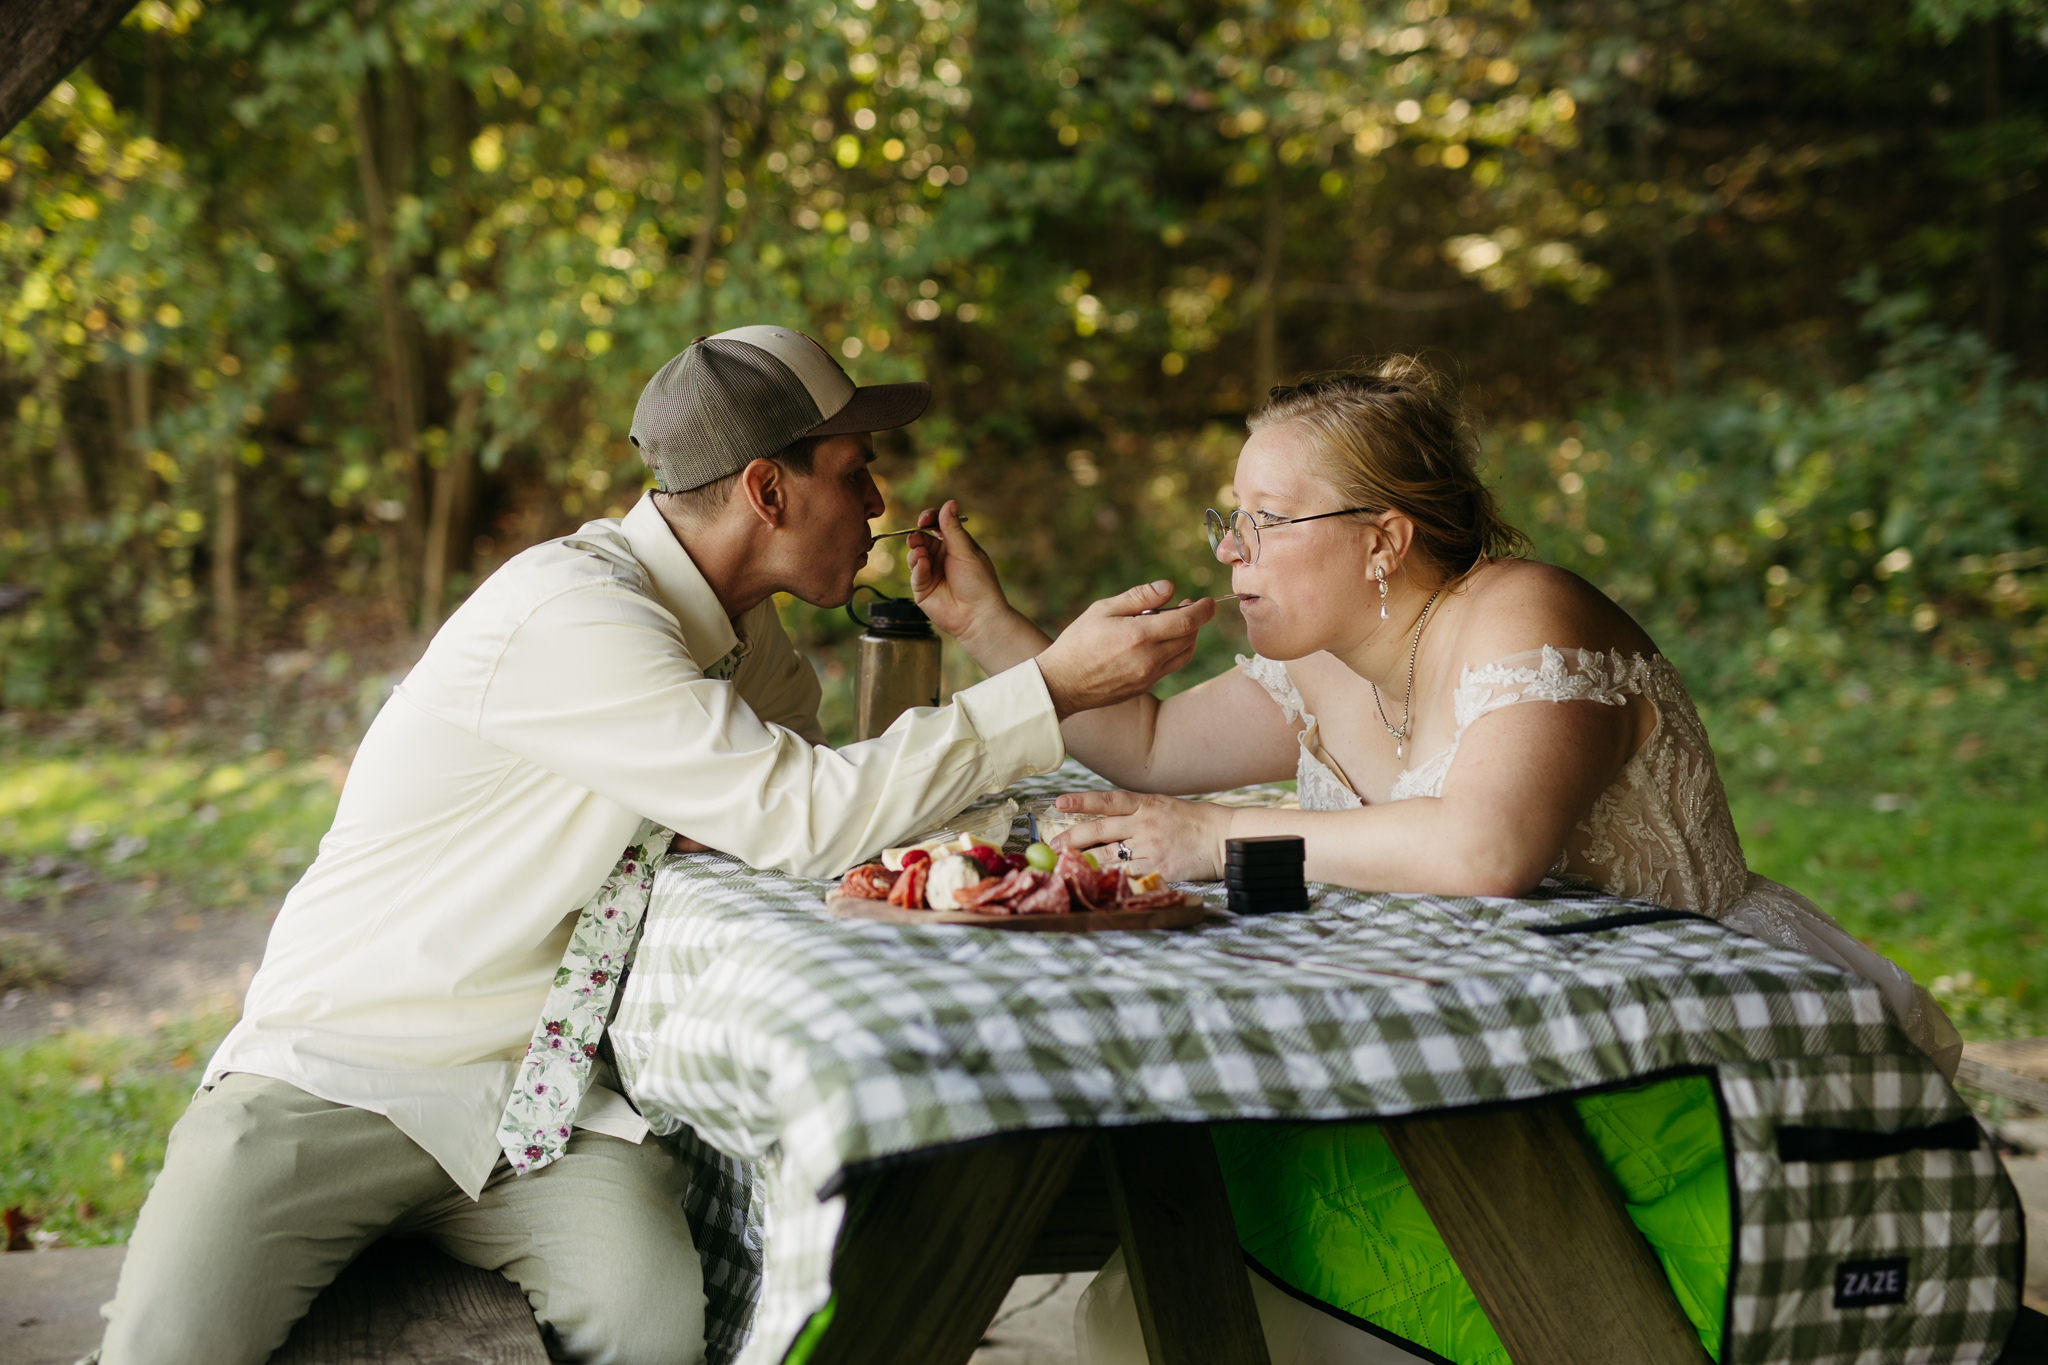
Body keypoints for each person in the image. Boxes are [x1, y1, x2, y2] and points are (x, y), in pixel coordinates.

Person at [94, 324, 1213, 1365]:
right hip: (341, 1072)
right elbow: (800, 813)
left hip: (541, 1106)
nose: (880, 501)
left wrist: (992, 650)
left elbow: (831, 815)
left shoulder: (755, 650)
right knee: (163, 1348)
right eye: (854, 470)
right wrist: (1048, 687)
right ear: (767, 490)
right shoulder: (572, 613)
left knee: (651, 1322)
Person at [986, 356, 1963, 1364]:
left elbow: (1485, 846)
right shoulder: (1318, 666)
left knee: (1194, 1304)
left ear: (1382, 539)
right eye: (1227, 516)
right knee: (1156, 1296)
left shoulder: (1524, 613)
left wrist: (1216, 834)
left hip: (1697, 1076)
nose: (1231, 549)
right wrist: (981, 621)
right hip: (1502, 1066)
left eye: (1267, 519)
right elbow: (1143, 746)